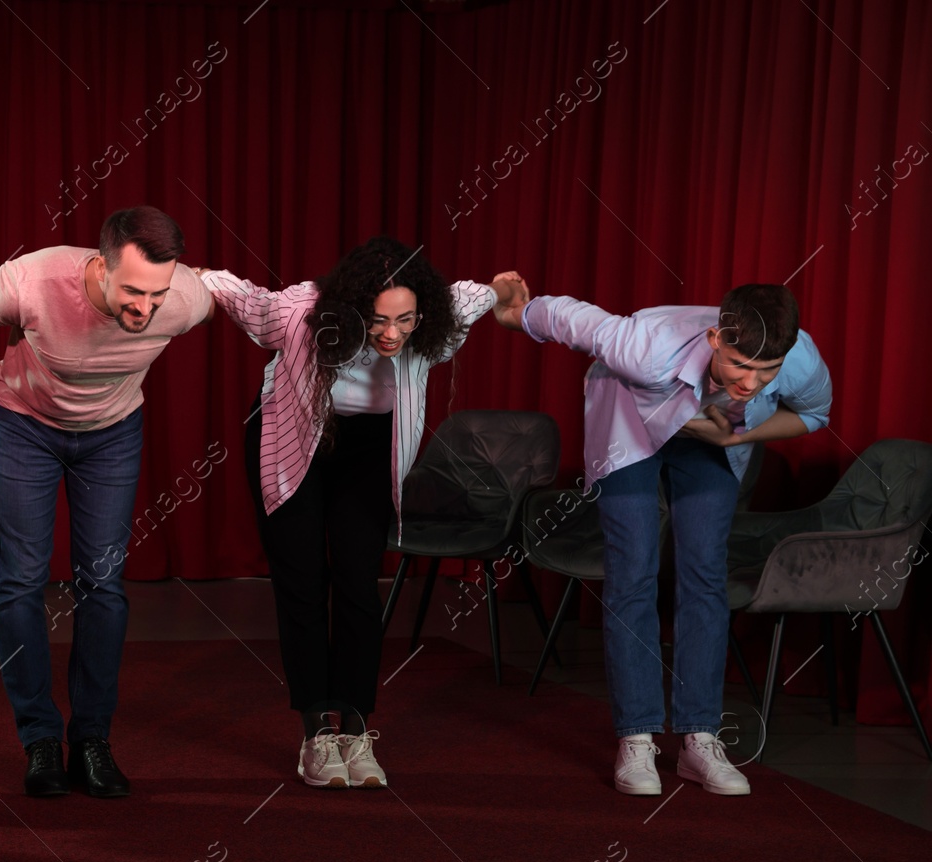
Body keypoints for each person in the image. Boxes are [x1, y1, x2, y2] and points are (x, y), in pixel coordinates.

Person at [0, 206, 213, 798]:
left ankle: (91, 739)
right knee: (21, 580)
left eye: (157, 294)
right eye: (132, 290)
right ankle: (40, 739)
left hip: (113, 435)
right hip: (26, 428)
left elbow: (237, 298)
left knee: (103, 584)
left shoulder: (186, 299)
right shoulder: (37, 279)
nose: (145, 309)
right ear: (99, 266)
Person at [199, 239, 521, 787]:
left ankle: (354, 725)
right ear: (349, 312)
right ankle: (315, 736)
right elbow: (245, 300)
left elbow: (481, 293)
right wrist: (203, 275)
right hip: (293, 433)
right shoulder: (300, 314)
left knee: (356, 582)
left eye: (404, 320)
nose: (392, 334)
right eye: (377, 321)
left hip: (370, 446)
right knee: (301, 580)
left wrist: (506, 290)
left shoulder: (438, 313)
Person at [496, 282, 833, 796]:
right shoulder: (646, 348)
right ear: (716, 338)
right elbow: (573, 318)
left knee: (704, 575)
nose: (751, 383)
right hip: (632, 425)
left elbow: (812, 414)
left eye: (767, 373)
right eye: (741, 365)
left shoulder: (799, 357)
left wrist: (735, 436)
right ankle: (636, 738)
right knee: (632, 573)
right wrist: (516, 313)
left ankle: (700, 737)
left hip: (712, 435)